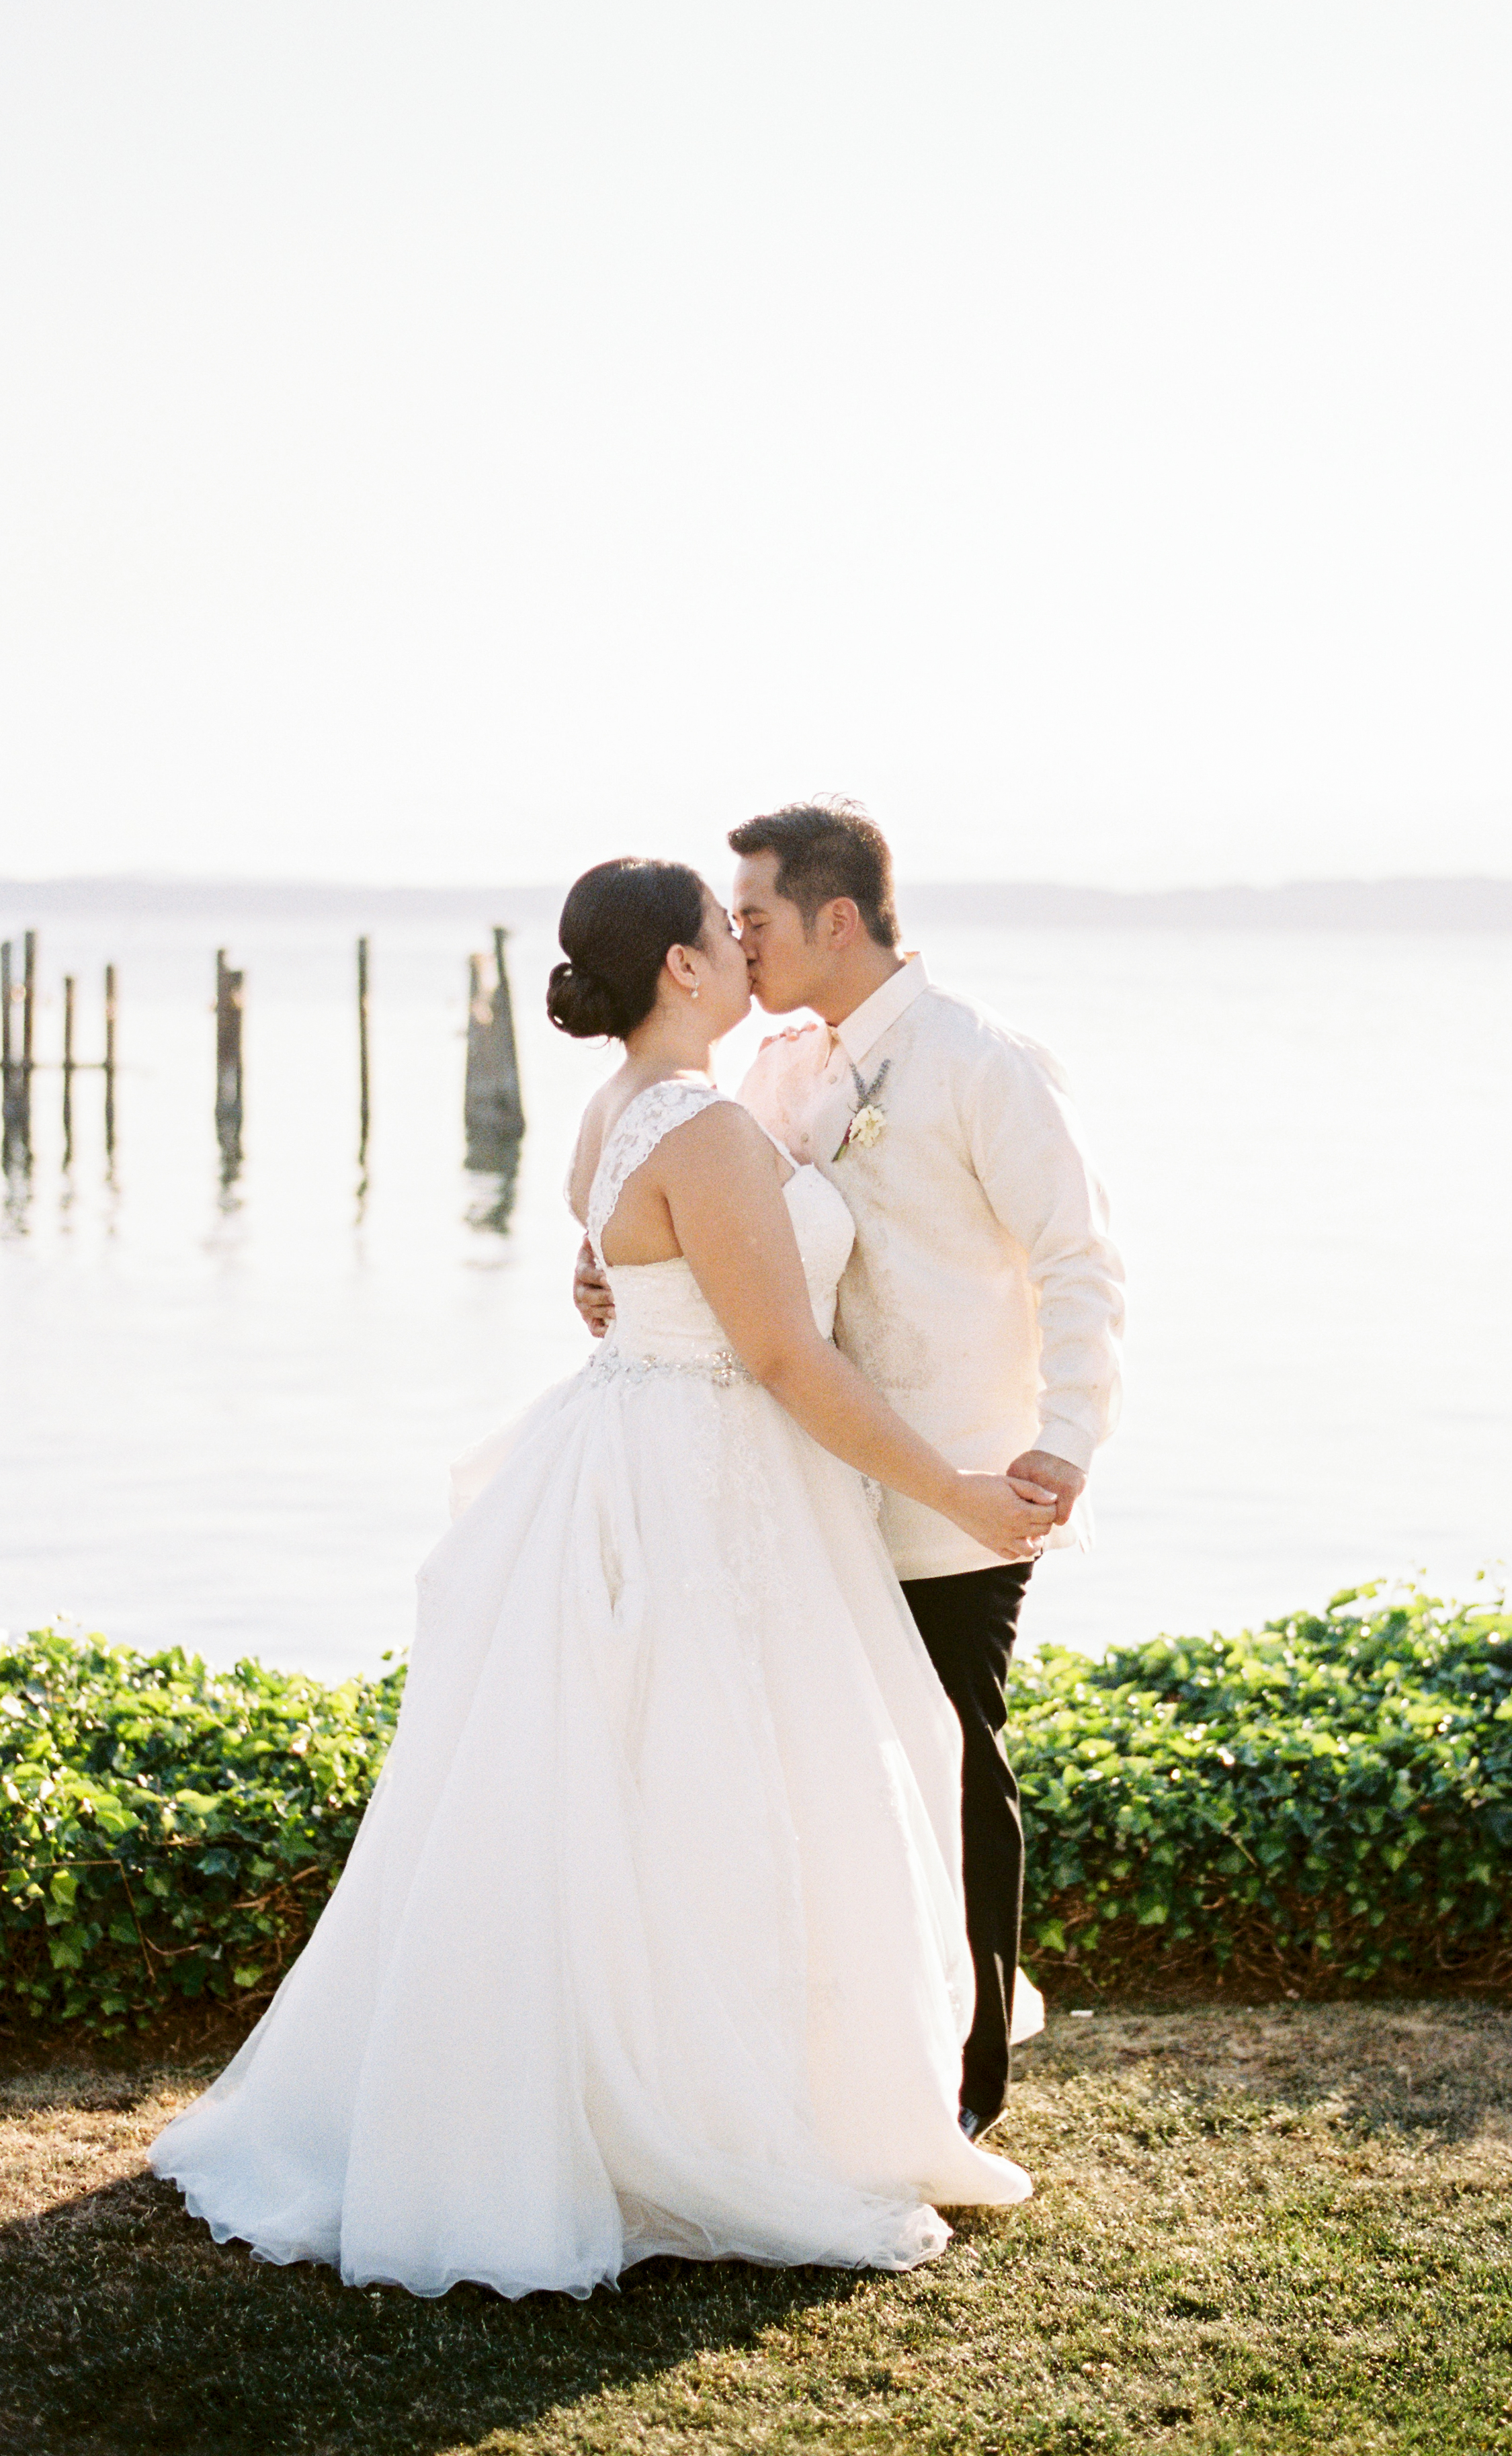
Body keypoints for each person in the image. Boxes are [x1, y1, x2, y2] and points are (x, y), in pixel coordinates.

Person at [150, 856, 1050, 2301]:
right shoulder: (700, 1128)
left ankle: (626, 2078)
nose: (744, 943)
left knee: (632, 1792)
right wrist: (954, 1489)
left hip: (637, 1447)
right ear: (682, 971)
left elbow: (631, 1278)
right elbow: (779, 1356)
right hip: (704, 1475)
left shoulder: (621, 1107)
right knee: (717, 1790)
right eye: (723, 929)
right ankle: (700, 2112)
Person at [577, 802, 1124, 2144]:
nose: (738, 940)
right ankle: (835, 2060)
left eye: (752, 916)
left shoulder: (979, 1062)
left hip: (959, 1480)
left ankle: (968, 2077)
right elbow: (719, 1244)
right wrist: (609, 1268)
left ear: (835, 919)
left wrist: (1058, 1443)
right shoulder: (768, 1072)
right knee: (823, 1783)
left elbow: (1077, 1262)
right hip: (798, 1492)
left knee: (948, 1754)